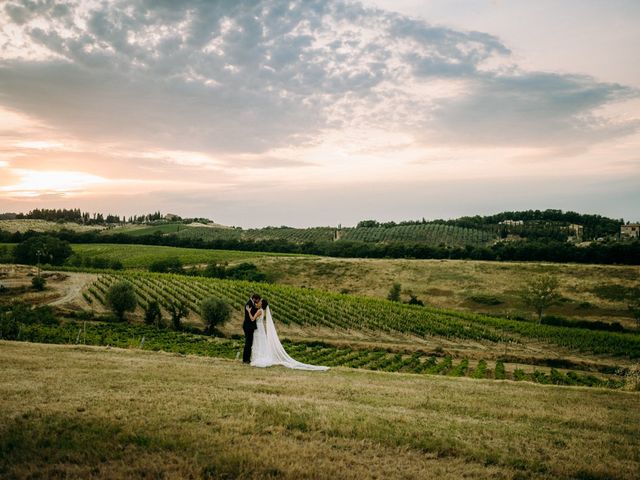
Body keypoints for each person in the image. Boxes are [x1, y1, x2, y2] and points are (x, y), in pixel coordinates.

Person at [250, 298, 329, 371]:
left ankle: (259, 357)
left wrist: (248, 311)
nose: (258, 302)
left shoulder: (260, 311)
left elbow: (253, 319)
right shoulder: (262, 311)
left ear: (262, 304)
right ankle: (260, 357)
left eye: (260, 302)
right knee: (260, 342)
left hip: (258, 328)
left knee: (258, 342)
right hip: (261, 328)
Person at [242, 293, 260, 364]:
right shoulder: (249, 304)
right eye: (258, 300)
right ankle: (245, 359)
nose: (258, 302)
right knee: (248, 343)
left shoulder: (251, 304)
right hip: (248, 326)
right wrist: (259, 309)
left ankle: (247, 359)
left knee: (249, 343)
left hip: (249, 326)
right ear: (254, 299)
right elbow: (252, 315)